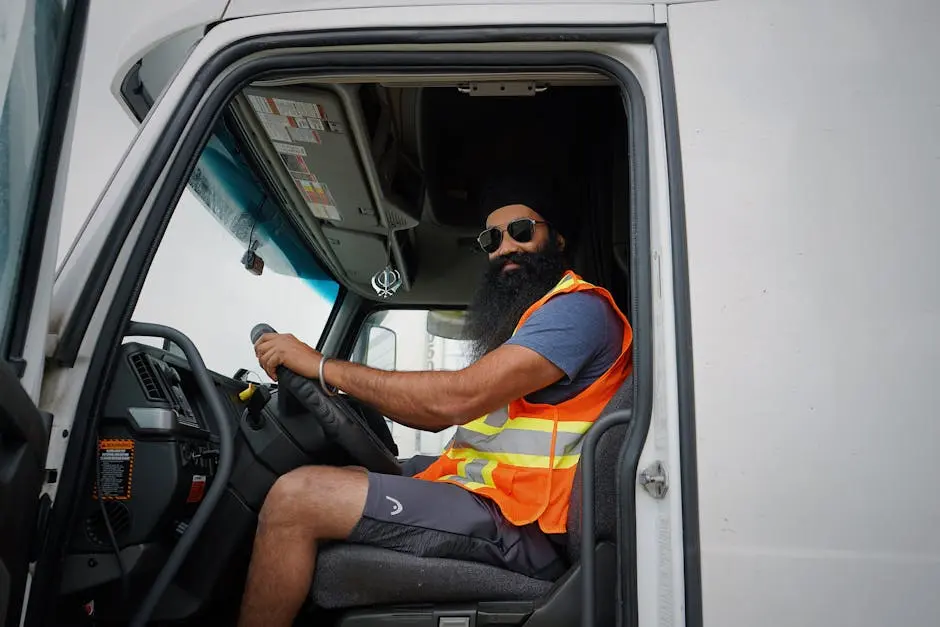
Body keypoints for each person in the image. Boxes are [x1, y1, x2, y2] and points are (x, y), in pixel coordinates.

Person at [238, 176, 634, 627]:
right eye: (492, 238)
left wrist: (324, 367)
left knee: (295, 499)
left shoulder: (576, 309)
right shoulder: (530, 321)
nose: (506, 247)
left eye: (522, 230)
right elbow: (453, 418)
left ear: (556, 239)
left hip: (526, 525)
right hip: (493, 499)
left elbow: (453, 400)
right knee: (341, 476)